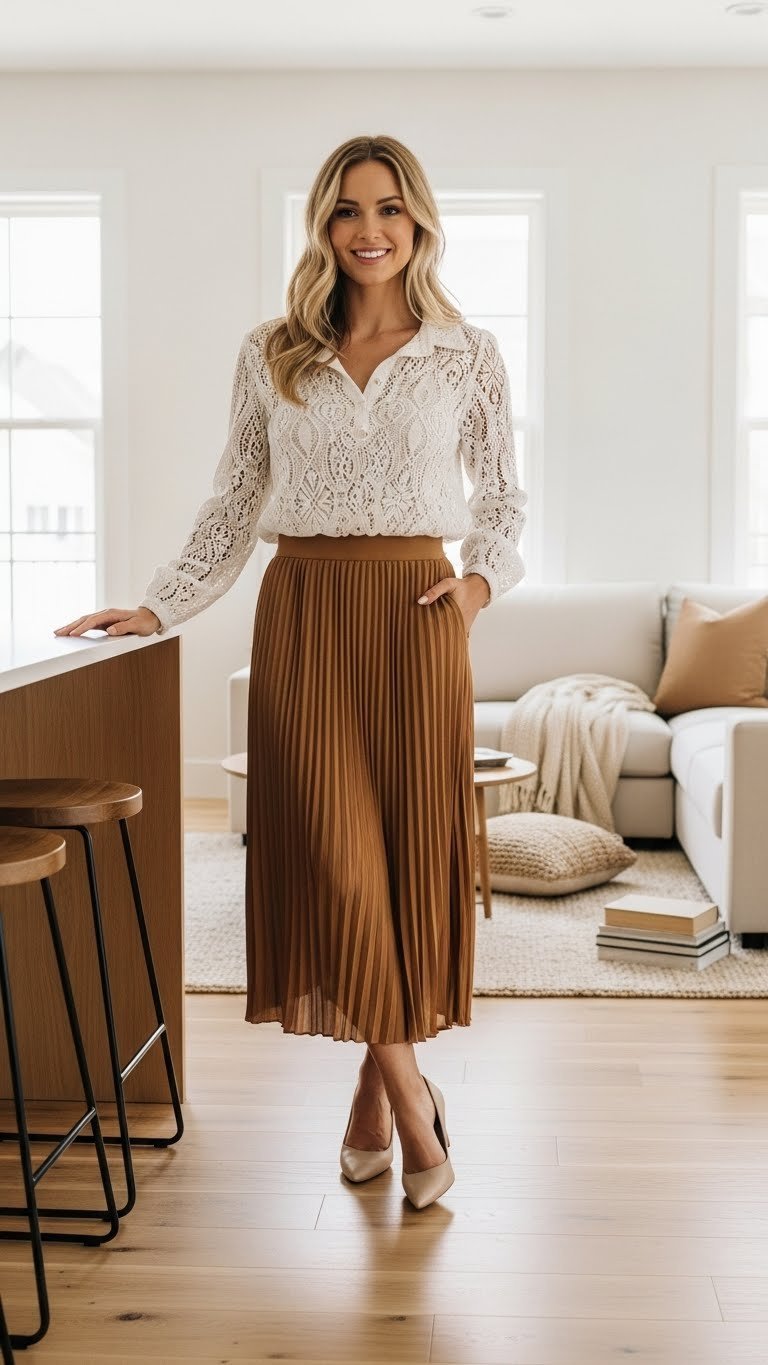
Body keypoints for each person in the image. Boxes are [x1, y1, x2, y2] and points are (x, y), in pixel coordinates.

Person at [54, 133, 528, 1210]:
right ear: (322, 226)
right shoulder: (273, 352)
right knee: (336, 865)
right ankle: (417, 1107)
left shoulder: (468, 354)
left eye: (391, 210)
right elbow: (232, 502)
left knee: (406, 871)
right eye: (348, 210)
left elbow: (503, 500)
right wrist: (160, 601)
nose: (369, 230)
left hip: (418, 621)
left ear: (419, 224)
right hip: (306, 616)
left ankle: (373, 1101)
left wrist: (476, 590)